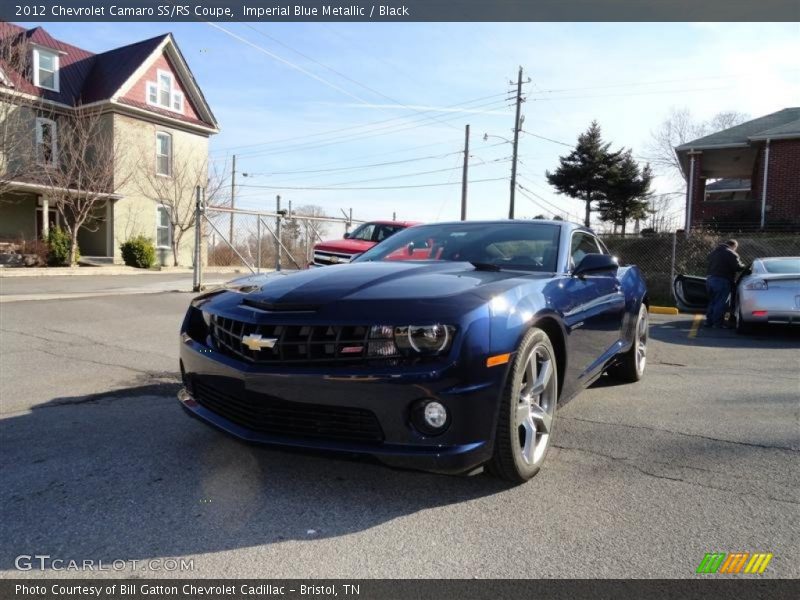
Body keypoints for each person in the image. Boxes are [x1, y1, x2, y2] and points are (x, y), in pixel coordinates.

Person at [705, 239, 745, 328]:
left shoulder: (714, 252)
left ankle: (708, 321)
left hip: (710, 279)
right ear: (733, 246)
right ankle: (717, 323)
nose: (735, 250)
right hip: (722, 280)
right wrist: (744, 266)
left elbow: (708, 262)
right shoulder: (731, 253)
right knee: (721, 302)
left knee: (712, 301)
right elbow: (737, 267)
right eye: (735, 248)